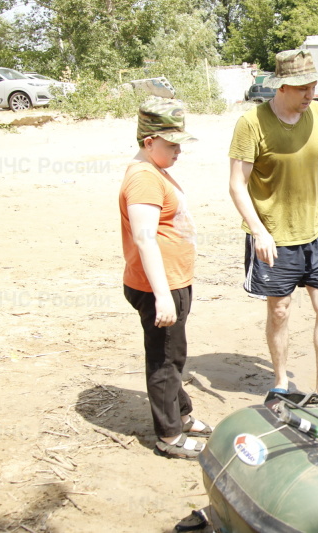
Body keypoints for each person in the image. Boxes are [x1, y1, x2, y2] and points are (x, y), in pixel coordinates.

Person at [228, 50, 318, 396]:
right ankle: (281, 382)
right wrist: (258, 231)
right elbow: (237, 185)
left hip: (316, 232)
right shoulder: (251, 124)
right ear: (282, 87)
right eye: (302, 88)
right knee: (280, 311)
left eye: (313, 86)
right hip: (273, 236)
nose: (310, 94)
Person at [120, 98, 212, 460]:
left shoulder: (153, 170)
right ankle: (168, 437)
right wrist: (162, 296)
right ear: (149, 142)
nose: (178, 151)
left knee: (174, 354)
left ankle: (182, 413)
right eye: (172, 144)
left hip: (171, 280)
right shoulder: (143, 179)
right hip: (159, 285)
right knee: (164, 359)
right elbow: (144, 237)